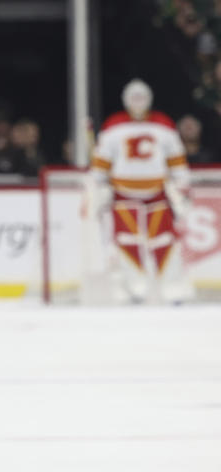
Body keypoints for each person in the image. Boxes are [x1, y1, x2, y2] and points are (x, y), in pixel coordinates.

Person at [89, 79, 195, 304]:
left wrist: (182, 188)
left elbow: (177, 161)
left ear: (149, 99)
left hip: (157, 193)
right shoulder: (113, 125)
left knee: (165, 240)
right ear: (125, 100)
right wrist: (99, 187)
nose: (138, 103)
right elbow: (101, 163)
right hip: (122, 193)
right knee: (128, 241)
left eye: (142, 98)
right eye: (133, 98)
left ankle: (172, 288)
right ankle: (135, 287)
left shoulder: (164, 124)